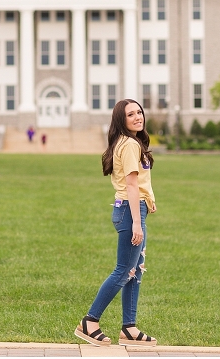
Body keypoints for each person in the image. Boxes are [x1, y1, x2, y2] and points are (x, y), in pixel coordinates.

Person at [74, 99, 158, 347]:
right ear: (121, 120)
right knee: (124, 270)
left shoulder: (126, 142)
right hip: (131, 212)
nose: (137, 117)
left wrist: (148, 201)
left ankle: (129, 328)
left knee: (135, 272)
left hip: (132, 209)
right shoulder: (130, 144)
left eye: (139, 112)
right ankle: (89, 322)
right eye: (130, 114)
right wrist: (136, 223)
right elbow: (131, 185)